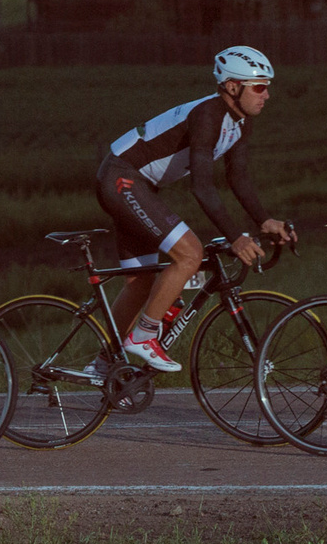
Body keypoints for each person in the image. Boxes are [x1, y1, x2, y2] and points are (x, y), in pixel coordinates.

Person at [95, 46, 297, 373]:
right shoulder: (208, 115)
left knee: (141, 284)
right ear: (233, 87)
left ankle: (104, 365)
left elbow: (238, 177)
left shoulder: (239, 122)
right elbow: (201, 186)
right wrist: (235, 237)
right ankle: (144, 336)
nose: (267, 95)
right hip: (123, 178)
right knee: (189, 254)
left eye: (267, 86)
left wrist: (265, 220)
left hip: (137, 184)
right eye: (259, 86)